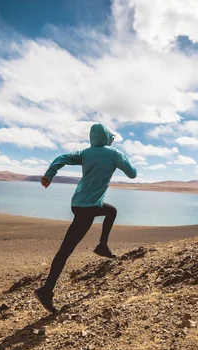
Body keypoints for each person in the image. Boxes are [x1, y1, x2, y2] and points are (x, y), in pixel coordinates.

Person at [34, 123, 137, 313]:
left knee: (111, 211)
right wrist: (120, 159)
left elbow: (61, 158)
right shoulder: (115, 154)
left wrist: (49, 175)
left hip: (79, 204)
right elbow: (133, 174)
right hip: (88, 208)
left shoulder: (85, 153)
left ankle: (102, 246)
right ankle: (46, 290)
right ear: (106, 137)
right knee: (65, 250)